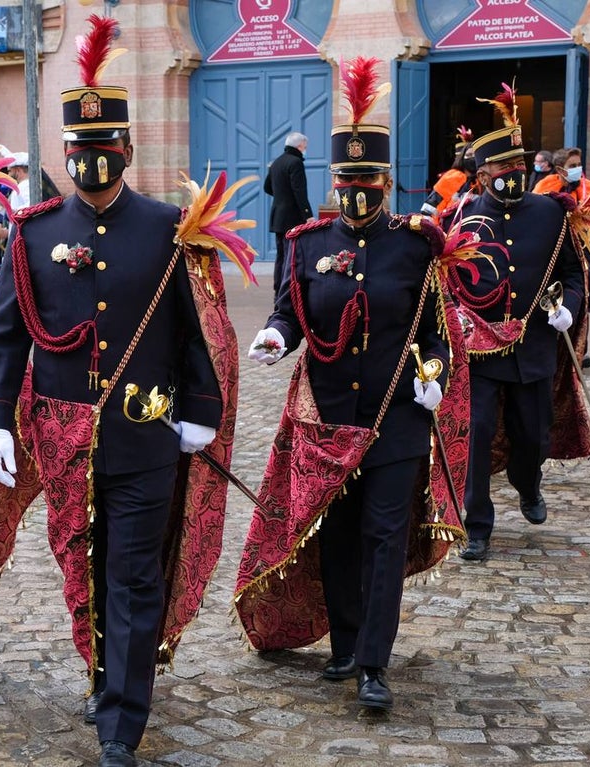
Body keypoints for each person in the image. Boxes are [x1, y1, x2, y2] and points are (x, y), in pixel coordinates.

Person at [0, 15, 239, 767]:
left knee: (131, 568)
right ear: (65, 153)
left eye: (104, 149)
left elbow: (201, 334)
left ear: (126, 149)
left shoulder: (169, 230)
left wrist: (203, 412)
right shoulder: (30, 234)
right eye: (79, 151)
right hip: (62, 441)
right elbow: (5, 336)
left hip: (144, 433)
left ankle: (123, 718)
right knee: (81, 566)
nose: (92, 162)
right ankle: (102, 674)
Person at [235, 56, 465, 713]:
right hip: (328, 416)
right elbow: (291, 310)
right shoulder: (307, 243)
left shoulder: (417, 246)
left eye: (370, 179)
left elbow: (436, 335)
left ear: (386, 182)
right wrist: (277, 336)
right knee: (334, 529)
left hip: (396, 415)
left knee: (383, 532)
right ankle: (342, 641)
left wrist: (434, 377)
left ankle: (372, 660)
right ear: (333, 181)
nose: (359, 189)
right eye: (348, 179)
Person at [444, 83, 590, 563]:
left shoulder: (551, 212)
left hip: (533, 344)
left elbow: (574, 272)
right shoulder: (462, 217)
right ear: (483, 173)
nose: (510, 174)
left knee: (532, 433)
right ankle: (477, 526)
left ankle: (528, 484)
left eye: (516, 166)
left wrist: (569, 306)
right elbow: (445, 281)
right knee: (479, 431)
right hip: (481, 348)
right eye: (500, 168)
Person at [533, 147, 590, 361]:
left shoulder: (589, 187)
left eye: (578, 164)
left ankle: (580, 350)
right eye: (572, 166)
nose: (577, 169)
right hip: (553, 252)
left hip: (583, 250)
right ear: (560, 169)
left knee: (582, 296)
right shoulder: (545, 186)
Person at [264, 131, 312, 297]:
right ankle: (289, 291)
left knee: (281, 256)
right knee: (292, 256)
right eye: (305, 147)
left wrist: (281, 197)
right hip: (292, 218)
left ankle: (278, 290)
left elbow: (267, 188)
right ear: (299, 146)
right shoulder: (296, 162)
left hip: (278, 217)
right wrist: (308, 215)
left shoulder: (276, 162)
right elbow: (299, 191)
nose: (305, 150)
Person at [420, 125, 473, 217]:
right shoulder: (455, 176)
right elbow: (431, 206)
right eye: (469, 155)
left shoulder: (480, 179)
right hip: (446, 226)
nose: (473, 158)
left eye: (475, 155)